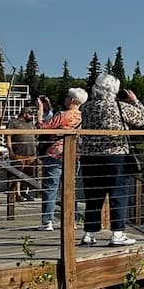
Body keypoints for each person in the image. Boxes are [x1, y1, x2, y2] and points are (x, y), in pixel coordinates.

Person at [78, 74, 144, 246]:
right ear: (114, 90)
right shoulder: (120, 107)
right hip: (115, 155)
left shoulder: (86, 107)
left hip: (89, 157)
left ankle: (89, 233)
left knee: (93, 195)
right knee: (118, 194)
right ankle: (117, 234)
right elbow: (143, 118)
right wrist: (135, 100)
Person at [35, 88, 86, 231]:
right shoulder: (82, 116)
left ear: (72, 100)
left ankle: (47, 221)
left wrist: (40, 111)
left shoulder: (63, 115)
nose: (65, 99)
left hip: (55, 154)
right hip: (73, 155)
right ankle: (72, 220)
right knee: (70, 189)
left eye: (67, 97)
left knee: (50, 188)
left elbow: (41, 127)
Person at [5, 106, 38, 200]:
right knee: (17, 174)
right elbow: (8, 137)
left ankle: (25, 192)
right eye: (30, 114)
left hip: (31, 153)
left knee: (28, 174)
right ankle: (17, 194)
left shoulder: (31, 124)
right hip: (18, 152)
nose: (32, 116)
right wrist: (10, 151)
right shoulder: (13, 123)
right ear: (24, 114)